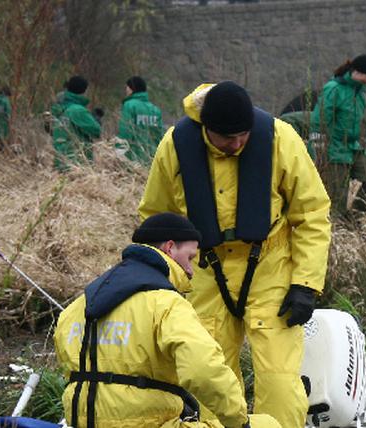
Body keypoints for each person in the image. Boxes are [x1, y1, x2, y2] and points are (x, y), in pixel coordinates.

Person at [138, 81, 330, 428]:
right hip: (205, 272)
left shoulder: (280, 139)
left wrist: (305, 284)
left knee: (280, 377)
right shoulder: (176, 146)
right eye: (228, 138)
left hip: (270, 268)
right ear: (207, 129)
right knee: (209, 375)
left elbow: (312, 214)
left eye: (243, 135)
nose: (238, 144)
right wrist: (160, 280)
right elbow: (155, 219)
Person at [54, 213, 280, 428]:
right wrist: (239, 421)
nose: (191, 270)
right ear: (170, 247)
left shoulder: (78, 306)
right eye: (190, 257)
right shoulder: (165, 303)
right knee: (266, 424)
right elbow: (203, 372)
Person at [309, 54, 366, 221]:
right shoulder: (334, 89)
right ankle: (338, 227)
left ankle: (353, 217)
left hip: (353, 146)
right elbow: (319, 120)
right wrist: (319, 149)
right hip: (334, 149)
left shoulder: (360, 93)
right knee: (337, 200)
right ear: (356, 72)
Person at [51, 75, 102, 172]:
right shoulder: (77, 110)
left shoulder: (57, 108)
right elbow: (96, 131)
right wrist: (96, 119)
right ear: (83, 91)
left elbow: (50, 130)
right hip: (77, 163)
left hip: (60, 161)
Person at [117, 76, 163, 166]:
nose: (126, 90)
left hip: (133, 157)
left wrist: (119, 152)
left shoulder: (129, 105)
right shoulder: (155, 110)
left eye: (127, 87)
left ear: (131, 89)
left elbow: (125, 131)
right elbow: (159, 135)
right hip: (151, 158)